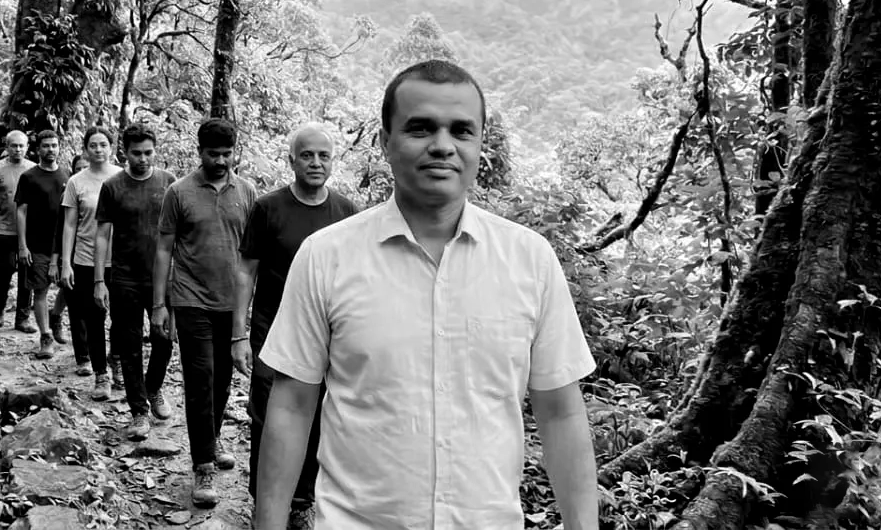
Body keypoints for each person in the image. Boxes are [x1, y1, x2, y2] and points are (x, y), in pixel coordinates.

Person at [254, 60, 599, 530]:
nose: (442, 146)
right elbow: (293, 405)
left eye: (461, 131)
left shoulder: (530, 261)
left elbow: (560, 412)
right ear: (385, 142)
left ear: (481, 145)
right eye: (420, 128)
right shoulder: (327, 257)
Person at [232, 123, 358, 529]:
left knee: (319, 419)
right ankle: (265, 500)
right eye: (307, 155)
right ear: (292, 161)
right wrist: (239, 334)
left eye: (323, 156)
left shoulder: (346, 212)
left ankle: (302, 501)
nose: (316, 163)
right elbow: (246, 271)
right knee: (267, 418)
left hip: (328, 339)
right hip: (273, 334)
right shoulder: (269, 208)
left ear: (332, 161)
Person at [151, 118, 258, 509]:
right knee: (200, 380)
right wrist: (159, 304)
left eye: (227, 154)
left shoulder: (246, 192)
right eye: (214, 154)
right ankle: (202, 466)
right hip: (190, 298)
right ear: (200, 151)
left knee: (223, 381)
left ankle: (212, 437)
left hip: (231, 303)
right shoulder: (179, 192)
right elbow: (164, 249)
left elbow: (252, 256)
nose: (221, 160)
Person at [95, 123, 177, 441]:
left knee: (164, 340)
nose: (143, 159)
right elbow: (102, 234)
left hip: (162, 279)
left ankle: (153, 387)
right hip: (125, 278)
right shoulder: (114, 186)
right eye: (136, 153)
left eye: (148, 152)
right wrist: (99, 280)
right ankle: (139, 411)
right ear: (124, 153)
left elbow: (178, 235)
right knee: (128, 346)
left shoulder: (169, 183)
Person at [60, 128, 123, 397]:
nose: (99, 150)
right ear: (85, 149)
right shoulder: (76, 181)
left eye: (103, 145)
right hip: (85, 259)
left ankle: (117, 361)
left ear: (111, 147)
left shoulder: (122, 177)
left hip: (119, 260)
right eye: (93, 145)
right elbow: (70, 225)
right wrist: (65, 262)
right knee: (94, 319)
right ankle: (101, 375)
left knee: (121, 319)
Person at [15, 130, 70, 356]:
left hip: (64, 245)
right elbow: (21, 211)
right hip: (37, 244)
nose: (50, 150)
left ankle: (56, 315)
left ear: (59, 148)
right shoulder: (29, 177)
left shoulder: (67, 176)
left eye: (54, 145)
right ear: (38, 149)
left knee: (68, 288)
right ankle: (45, 336)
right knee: (40, 290)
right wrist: (22, 245)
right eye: (46, 146)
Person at [0, 131, 35, 329]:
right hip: (4, 229)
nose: (18, 149)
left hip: (30, 231)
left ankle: (22, 318)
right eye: (14, 146)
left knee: (26, 276)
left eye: (22, 146)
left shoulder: (33, 170)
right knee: (5, 271)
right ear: (7, 147)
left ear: (27, 147)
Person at [49, 154, 89, 344]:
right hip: (71, 249)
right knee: (69, 288)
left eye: (85, 167)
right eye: (78, 168)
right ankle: (56, 316)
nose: (82, 171)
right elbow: (60, 226)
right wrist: (56, 261)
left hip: (94, 248)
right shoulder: (70, 189)